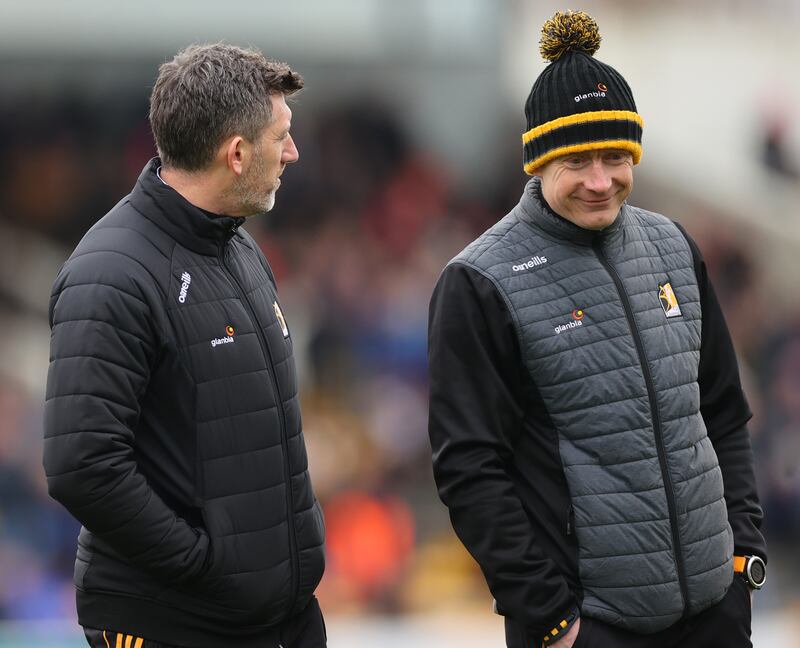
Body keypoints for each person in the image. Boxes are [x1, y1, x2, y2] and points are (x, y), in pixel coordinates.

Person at [427, 11, 766, 648]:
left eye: (615, 157)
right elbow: (470, 471)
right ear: (537, 162)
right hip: (589, 626)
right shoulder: (479, 281)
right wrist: (552, 620)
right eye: (577, 160)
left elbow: (721, 411)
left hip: (716, 612)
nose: (600, 180)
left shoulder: (672, 245)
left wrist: (742, 555)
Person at [43, 44, 326, 648]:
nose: (293, 153)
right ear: (237, 152)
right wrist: (206, 567)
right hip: (180, 623)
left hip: (274, 620)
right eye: (284, 136)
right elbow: (82, 467)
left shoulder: (239, 248)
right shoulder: (111, 271)